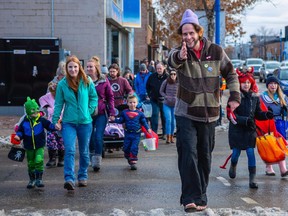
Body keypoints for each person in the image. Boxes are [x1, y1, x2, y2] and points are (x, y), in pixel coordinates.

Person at [167, 9, 241, 212]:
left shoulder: (215, 51)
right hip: (186, 113)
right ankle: (189, 198)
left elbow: (231, 74)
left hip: (210, 114)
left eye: (191, 33)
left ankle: (201, 196)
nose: (188, 37)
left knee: (204, 156)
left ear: (199, 32)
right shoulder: (180, 53)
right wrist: (180, 57)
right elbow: (170, 61)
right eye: (184, 34)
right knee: (188, 153)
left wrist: (234, 97)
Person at [52, 55, 98, 191]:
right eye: (70, 67)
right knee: (70, 150)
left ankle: (83, 176)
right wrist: (55, 120)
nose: (73, 69)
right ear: (67, 68)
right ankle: (69, 179)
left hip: (85, 122)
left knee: (84, 152)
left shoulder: (87, 81)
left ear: (79, 68)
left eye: (75, 67)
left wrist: (89, 111)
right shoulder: (62, 84)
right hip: (68, 122)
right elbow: (58, 104)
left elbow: (94, 97)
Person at [227, 70, 274, 189]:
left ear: (251, 83)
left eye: (248, 82)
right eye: (243, 82)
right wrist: (244, 120)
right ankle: (233, 164)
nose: (246, 85)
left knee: (250, 152)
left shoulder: (254, 97)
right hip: (237, 130)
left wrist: (266, 115)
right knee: (236, 153)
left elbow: (257, 113)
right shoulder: (234, 97)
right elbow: (231, 115)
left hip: (250, 130)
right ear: (239, 83)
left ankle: (252, 179)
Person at [14, 97, 60, 189]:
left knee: (39, 160)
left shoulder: (41, 120)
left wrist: (55, 126)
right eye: (33, 110)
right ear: (28, 111)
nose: (36, 112)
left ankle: (39, 179)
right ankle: (32, 180)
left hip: (39, 145)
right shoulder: (24, 122)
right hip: (29, 146)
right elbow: (20, 131)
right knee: (31, 163)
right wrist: (18, 136)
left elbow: (49, 125)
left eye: (36, 110)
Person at [86, 56, 115, 172]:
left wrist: (112, 112)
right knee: (89, 136)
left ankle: (97, 160)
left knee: (98, 136)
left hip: (101, 112)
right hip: (87, 113)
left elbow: (110, 96)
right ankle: (90, 156)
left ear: (96, 68)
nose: (88, 68)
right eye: (87, 67)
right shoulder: (84, 80)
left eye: (90, 66)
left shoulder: (104, 80)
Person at [111, 94, 151, 170]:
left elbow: (144, 122)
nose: (132, 104)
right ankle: (128, 156)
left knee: (134, 147)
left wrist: (148, 129)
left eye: (134, 102)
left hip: (136, 133)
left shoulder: (140, 113)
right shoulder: (124, 112)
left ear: (137, 103)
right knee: (126, 148)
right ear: (127, 103)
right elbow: (120, 120)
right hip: (127, 133)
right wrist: (114, 119)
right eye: (130, 102)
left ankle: (133, 161)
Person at [260, 75, 288, 177]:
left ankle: (283, 168)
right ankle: (269, 167)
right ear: (267, 85)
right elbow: (258, 111)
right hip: (267, 124)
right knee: (270, 146)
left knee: (281, 146)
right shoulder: (262, 97)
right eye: (271, 84)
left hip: (280, 124)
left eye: (275, 84)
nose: (273, 86)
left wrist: (285, 110)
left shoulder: (283, 97)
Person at [39, 81, 65, 168]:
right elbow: (41, 99)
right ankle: (52, 159)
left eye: (55, 93)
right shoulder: (47, 96)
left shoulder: (63, 96)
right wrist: (46, 106)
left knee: (61, 141)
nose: (54, 95)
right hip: (51, 123)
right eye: (52, 93)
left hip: (62, 122)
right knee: (51, 140)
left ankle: (61, 159)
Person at [146, 61, 168, 139]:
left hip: (165, 100)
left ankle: (165, 133)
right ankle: (154, 133)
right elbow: (147, 86)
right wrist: (149, 95)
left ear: (164, 68)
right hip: (154, 99)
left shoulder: (167, 77)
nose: (159, 70)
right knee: (154, 116)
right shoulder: (152, 76)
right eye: (157, 68)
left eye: (160, 68)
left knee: (164, 116)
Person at [159, 67, 178, 144]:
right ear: (169, 75)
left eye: (174, 74)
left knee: (174, 121)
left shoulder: (178, 83)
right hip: (166, 104)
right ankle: (168, 137)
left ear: (176, 75)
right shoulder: (166, 82)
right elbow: (161, 91)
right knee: (168, 120)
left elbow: (181, 93)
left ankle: (172, 136)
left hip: (175, 105)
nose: (173, 75)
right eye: (171, 74)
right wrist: (165, 96)